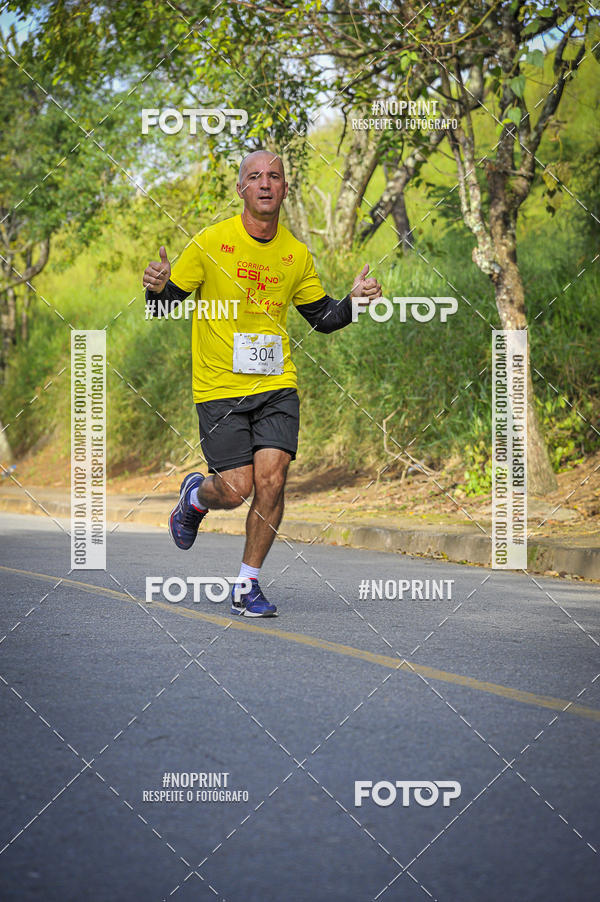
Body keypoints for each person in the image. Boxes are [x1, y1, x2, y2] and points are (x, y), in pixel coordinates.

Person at [143, 149, 382, 617]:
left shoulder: (295, 253)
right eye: (255, 177)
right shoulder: (212, 241)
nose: (266, 183)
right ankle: (195, 496)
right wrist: (155, 288)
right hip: (219, 387)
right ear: (241, 190)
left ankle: (246, 584)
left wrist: (354, 300)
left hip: (276, 384)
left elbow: (324, 318)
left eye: (275, 176)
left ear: (286, 189)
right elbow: (164, 305)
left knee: (271, 481)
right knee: (235, 489)